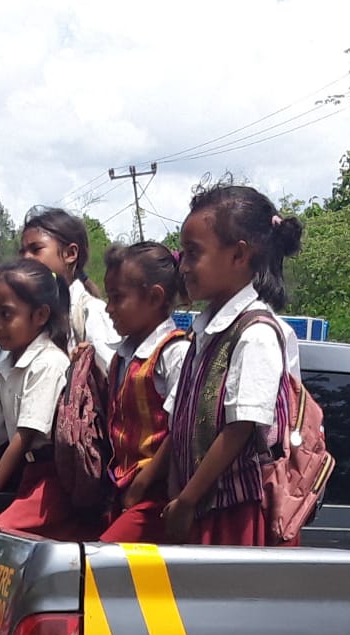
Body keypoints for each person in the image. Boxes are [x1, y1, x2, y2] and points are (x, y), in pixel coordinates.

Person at [159, 183, 304, 545]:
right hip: (198, 508)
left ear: (239, 255)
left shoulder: (256, 333)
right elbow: (181, 424)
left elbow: (240, 430)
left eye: (193, 254)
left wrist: (188, 499)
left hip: (236, 516)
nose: (185, 267)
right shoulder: (205, 332)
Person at [0, 259, 89, 538]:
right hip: (28, 477)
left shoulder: (48, 363)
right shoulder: (7, 367)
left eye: (6, 315)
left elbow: (24, 436)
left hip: (52, 483)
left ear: (40, 315)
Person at [97, 242, 191, 544]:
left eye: (117, 298)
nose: (109, 308)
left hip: (155, 497)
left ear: (154, 297)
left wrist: (142, 484)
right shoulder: (121, 356)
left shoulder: (174, 353)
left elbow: (182, 428)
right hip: (122, 491)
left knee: (103, 567)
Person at [20, 206, 119, 371]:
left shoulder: (91, 313)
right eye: (22, 252)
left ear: (70, 254)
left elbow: (115, 381)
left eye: (36, 249)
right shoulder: (32, 321)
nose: (26, 258)